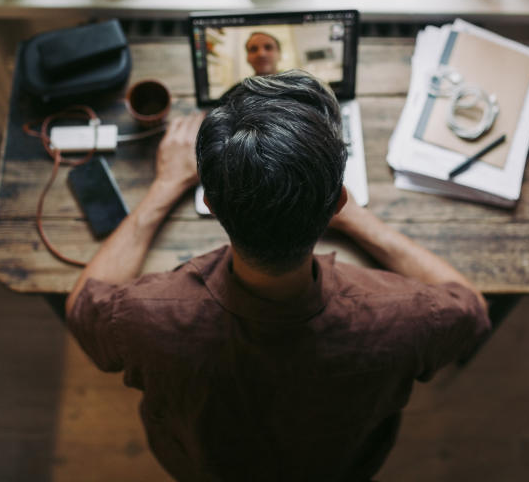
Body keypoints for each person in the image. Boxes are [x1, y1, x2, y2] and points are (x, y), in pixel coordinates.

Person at [66, 71, 490, 482]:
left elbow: (82, 308)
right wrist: (362, 223)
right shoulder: (405, 316)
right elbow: (471, 310)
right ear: (339, 201)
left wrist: (165, 184)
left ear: (211, 204)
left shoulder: (145, 318)